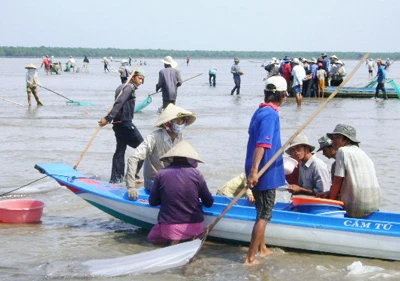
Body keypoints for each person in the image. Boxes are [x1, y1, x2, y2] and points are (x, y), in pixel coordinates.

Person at [244, 76, 288, 265]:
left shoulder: (260, 111)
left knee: (261, 210)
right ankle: (250, 258)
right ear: (282, 95)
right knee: (265, 214)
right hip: (264, 171)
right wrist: (255, 171)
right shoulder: (271, 114)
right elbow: (262, 144)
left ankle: (262, 249)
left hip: (258, 167)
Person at [148, 140, 214, 245]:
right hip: (195, 226)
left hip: (170, 227)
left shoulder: (161, 174)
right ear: (190, 159)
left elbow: (153, 202)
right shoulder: (197, 174)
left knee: (152, 239)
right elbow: (209, 202)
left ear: (171, 158)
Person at [125, 103, 196, 200]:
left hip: (172, 180)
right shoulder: (154, 137)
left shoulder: (179, 138)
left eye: (182, 122)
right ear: (168, 123)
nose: (180, 125)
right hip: (154, 183)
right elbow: (133, 158)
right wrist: (131, 186)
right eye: (177, 122)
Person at [317, 124, 381, 218]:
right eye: (333, 138)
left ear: (347, 139)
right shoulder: (362, 153)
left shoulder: (342, 151)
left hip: (356, 207)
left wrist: (329, 203)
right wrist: (329, 193)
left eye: (337, 137)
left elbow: (337, 181)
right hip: (374, 206)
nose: (333, 141)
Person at [98, 68, 146, 184]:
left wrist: (110, 119)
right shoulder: (128, 88)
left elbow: (119, 103)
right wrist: (108, 118)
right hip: (125, 124)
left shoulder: (122, 87)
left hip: (118, 124)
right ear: (133, 77)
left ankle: (116, 179)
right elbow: (118, 104)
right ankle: (132, 175)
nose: (141, 82)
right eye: (140, 79)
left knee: (120, 151)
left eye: (143, 80)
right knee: (144, 148)